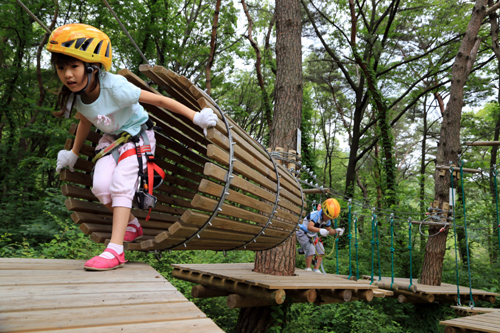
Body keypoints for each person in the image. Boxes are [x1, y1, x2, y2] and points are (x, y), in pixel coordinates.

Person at [48, 23, 217, 271]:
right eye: (61, 68)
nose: (68, 75)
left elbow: (159, 99)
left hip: (139, 136)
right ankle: (132, 224)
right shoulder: (77, 96)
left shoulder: (115, 87)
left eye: (74, 66)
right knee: (100, 187)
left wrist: (196, 117)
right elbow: (86, 121)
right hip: (111, 140)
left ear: (92, 67)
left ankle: (115, 250)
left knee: (121, 185)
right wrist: (74, 153)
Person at [296, 198, 344, 273]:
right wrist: (320, 230)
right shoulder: (315, 215)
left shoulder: (327, 219)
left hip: (313, 234)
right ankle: (308, 268)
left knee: (321, 250)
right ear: (324, 212)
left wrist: (336, 231)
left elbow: (328, 231)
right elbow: (310, 227)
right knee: (310, 249)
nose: (328, 219)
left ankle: (316, 269)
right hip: (303, 232)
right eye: (328, 217)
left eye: (330, 218)